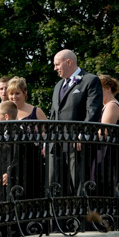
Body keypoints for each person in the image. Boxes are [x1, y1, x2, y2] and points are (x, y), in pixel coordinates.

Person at [48, 49, 103, 195]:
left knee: (79, 186)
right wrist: (49, 140)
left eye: (57, 64)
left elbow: (93, 111)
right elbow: (54, 114)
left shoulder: (90, 80)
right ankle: (57, 211)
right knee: (55, 186)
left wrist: (83, 134)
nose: (55, 68)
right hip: (57, 144)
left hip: (77, 144)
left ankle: (80, 211)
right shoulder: (58, 86)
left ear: (69, 62)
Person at [7, 77, 47, 200]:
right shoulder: (4, 111)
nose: (14, 97)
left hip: (32, 160)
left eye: (17, 93)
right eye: (11, 94)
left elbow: (47, 132)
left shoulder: (36, 111)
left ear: (25, 93)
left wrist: (42, 141)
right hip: (11, 159)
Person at [92, 75, 119, 196]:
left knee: (103, 183)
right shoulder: (107, 106)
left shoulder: (112, 105)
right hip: (105, 151)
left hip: (108, 152)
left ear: (107, 88)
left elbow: (104, 133)